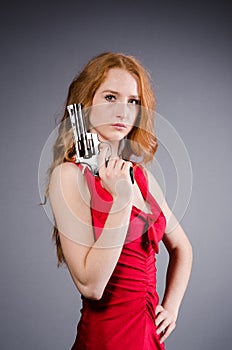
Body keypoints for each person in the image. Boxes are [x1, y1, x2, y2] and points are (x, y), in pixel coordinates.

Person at [46, 52, 193, 349]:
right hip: (107, 339)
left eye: (133, 101)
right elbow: (92, 286)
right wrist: (121, 200)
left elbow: (182, 248)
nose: (123, 111)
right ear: (86, 104)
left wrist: (171, 307)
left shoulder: (141, 177)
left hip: (148, 335)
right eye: (111, 97)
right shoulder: (68, 177)